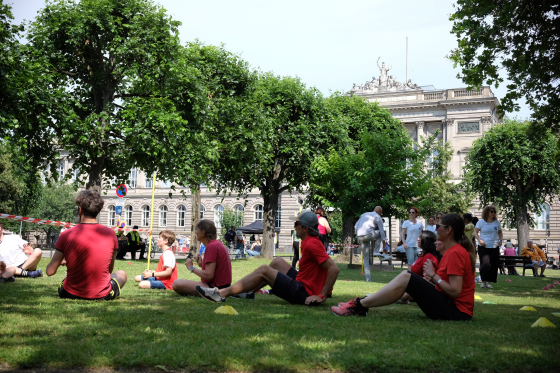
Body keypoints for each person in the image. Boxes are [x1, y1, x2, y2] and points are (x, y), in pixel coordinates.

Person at [332, 213, 475, 321]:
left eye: (438, 226)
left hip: (457, 312)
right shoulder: (452, 251)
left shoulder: (455, 253)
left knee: (407, 276)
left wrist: (433, 275)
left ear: (448, 230)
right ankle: (361, 303)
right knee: (408, 277)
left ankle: (359, 306)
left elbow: (455, 292)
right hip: (450, 306)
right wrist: (431, 280)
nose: (436, 230)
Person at [195, 211, 340, 306]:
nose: (294, 227)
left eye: (297, 225)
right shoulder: (309, 241)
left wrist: (321, 295)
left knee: (264, 270)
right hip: (303, 284)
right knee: (276, 262)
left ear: (305, 228)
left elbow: (334, 269)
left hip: (304, 294)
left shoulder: (312, 244)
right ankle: (247, 293)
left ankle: (221, 293)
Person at [46, 190, 127, 300]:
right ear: (98, 211)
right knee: (122, 274)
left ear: (80, 209)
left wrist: (62, 261)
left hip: (69, 293)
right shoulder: (111, 234)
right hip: (102, 295)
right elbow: (109, 271)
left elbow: (50, 271)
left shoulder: (66, 234)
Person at [172, 220, 232, 296]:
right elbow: (215, 270)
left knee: (176, 283)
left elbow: (208, 276)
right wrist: (202, 265)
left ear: (203, 233)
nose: (195, 232)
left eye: (197, 229)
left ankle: (213, 294)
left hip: (215, 288)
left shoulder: (211, 246)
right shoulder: (216, 244)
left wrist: (191, 268)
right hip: (222, 286)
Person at [473, 205, 503, 289]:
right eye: (491, 211)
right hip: (483, 246)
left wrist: (500, 241)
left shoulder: (497, 222)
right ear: (487, 212)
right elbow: (475, 232)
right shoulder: (481, 222)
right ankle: (483, 280)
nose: (493, 213)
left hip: (494, 246)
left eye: (494, 212)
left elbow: (500, 233)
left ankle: (488, 282)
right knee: (485, 263)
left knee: (493, 264)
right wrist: (480, 240)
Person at [354, 206, 386, 281]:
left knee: (366, 258)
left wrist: (358, 235)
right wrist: (384, 245)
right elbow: (381, 231)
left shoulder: (364, 214)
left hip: (359, 236)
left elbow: (356, 226)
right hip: (368, 235)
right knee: (380, 233)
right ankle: (376, 251)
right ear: (380, 212)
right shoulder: (378, 216)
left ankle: (368, 279)